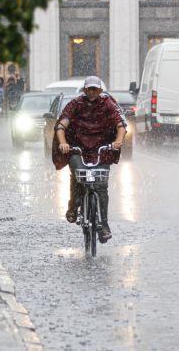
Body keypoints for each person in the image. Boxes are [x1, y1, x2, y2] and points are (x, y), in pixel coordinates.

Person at [52, 76, 127, 242]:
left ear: (100, 91)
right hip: (78, 148)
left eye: (95, 89)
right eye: (89, 89)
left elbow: (120, 125)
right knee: (79, 178)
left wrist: (118, 141)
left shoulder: (107, 104)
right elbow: (61, 125)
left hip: (101, 150)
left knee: (101, 187)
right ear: (84, 90)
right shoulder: (76, 104)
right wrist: (63, 143)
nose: (92, 92)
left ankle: (104, 225)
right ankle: (73, 206)